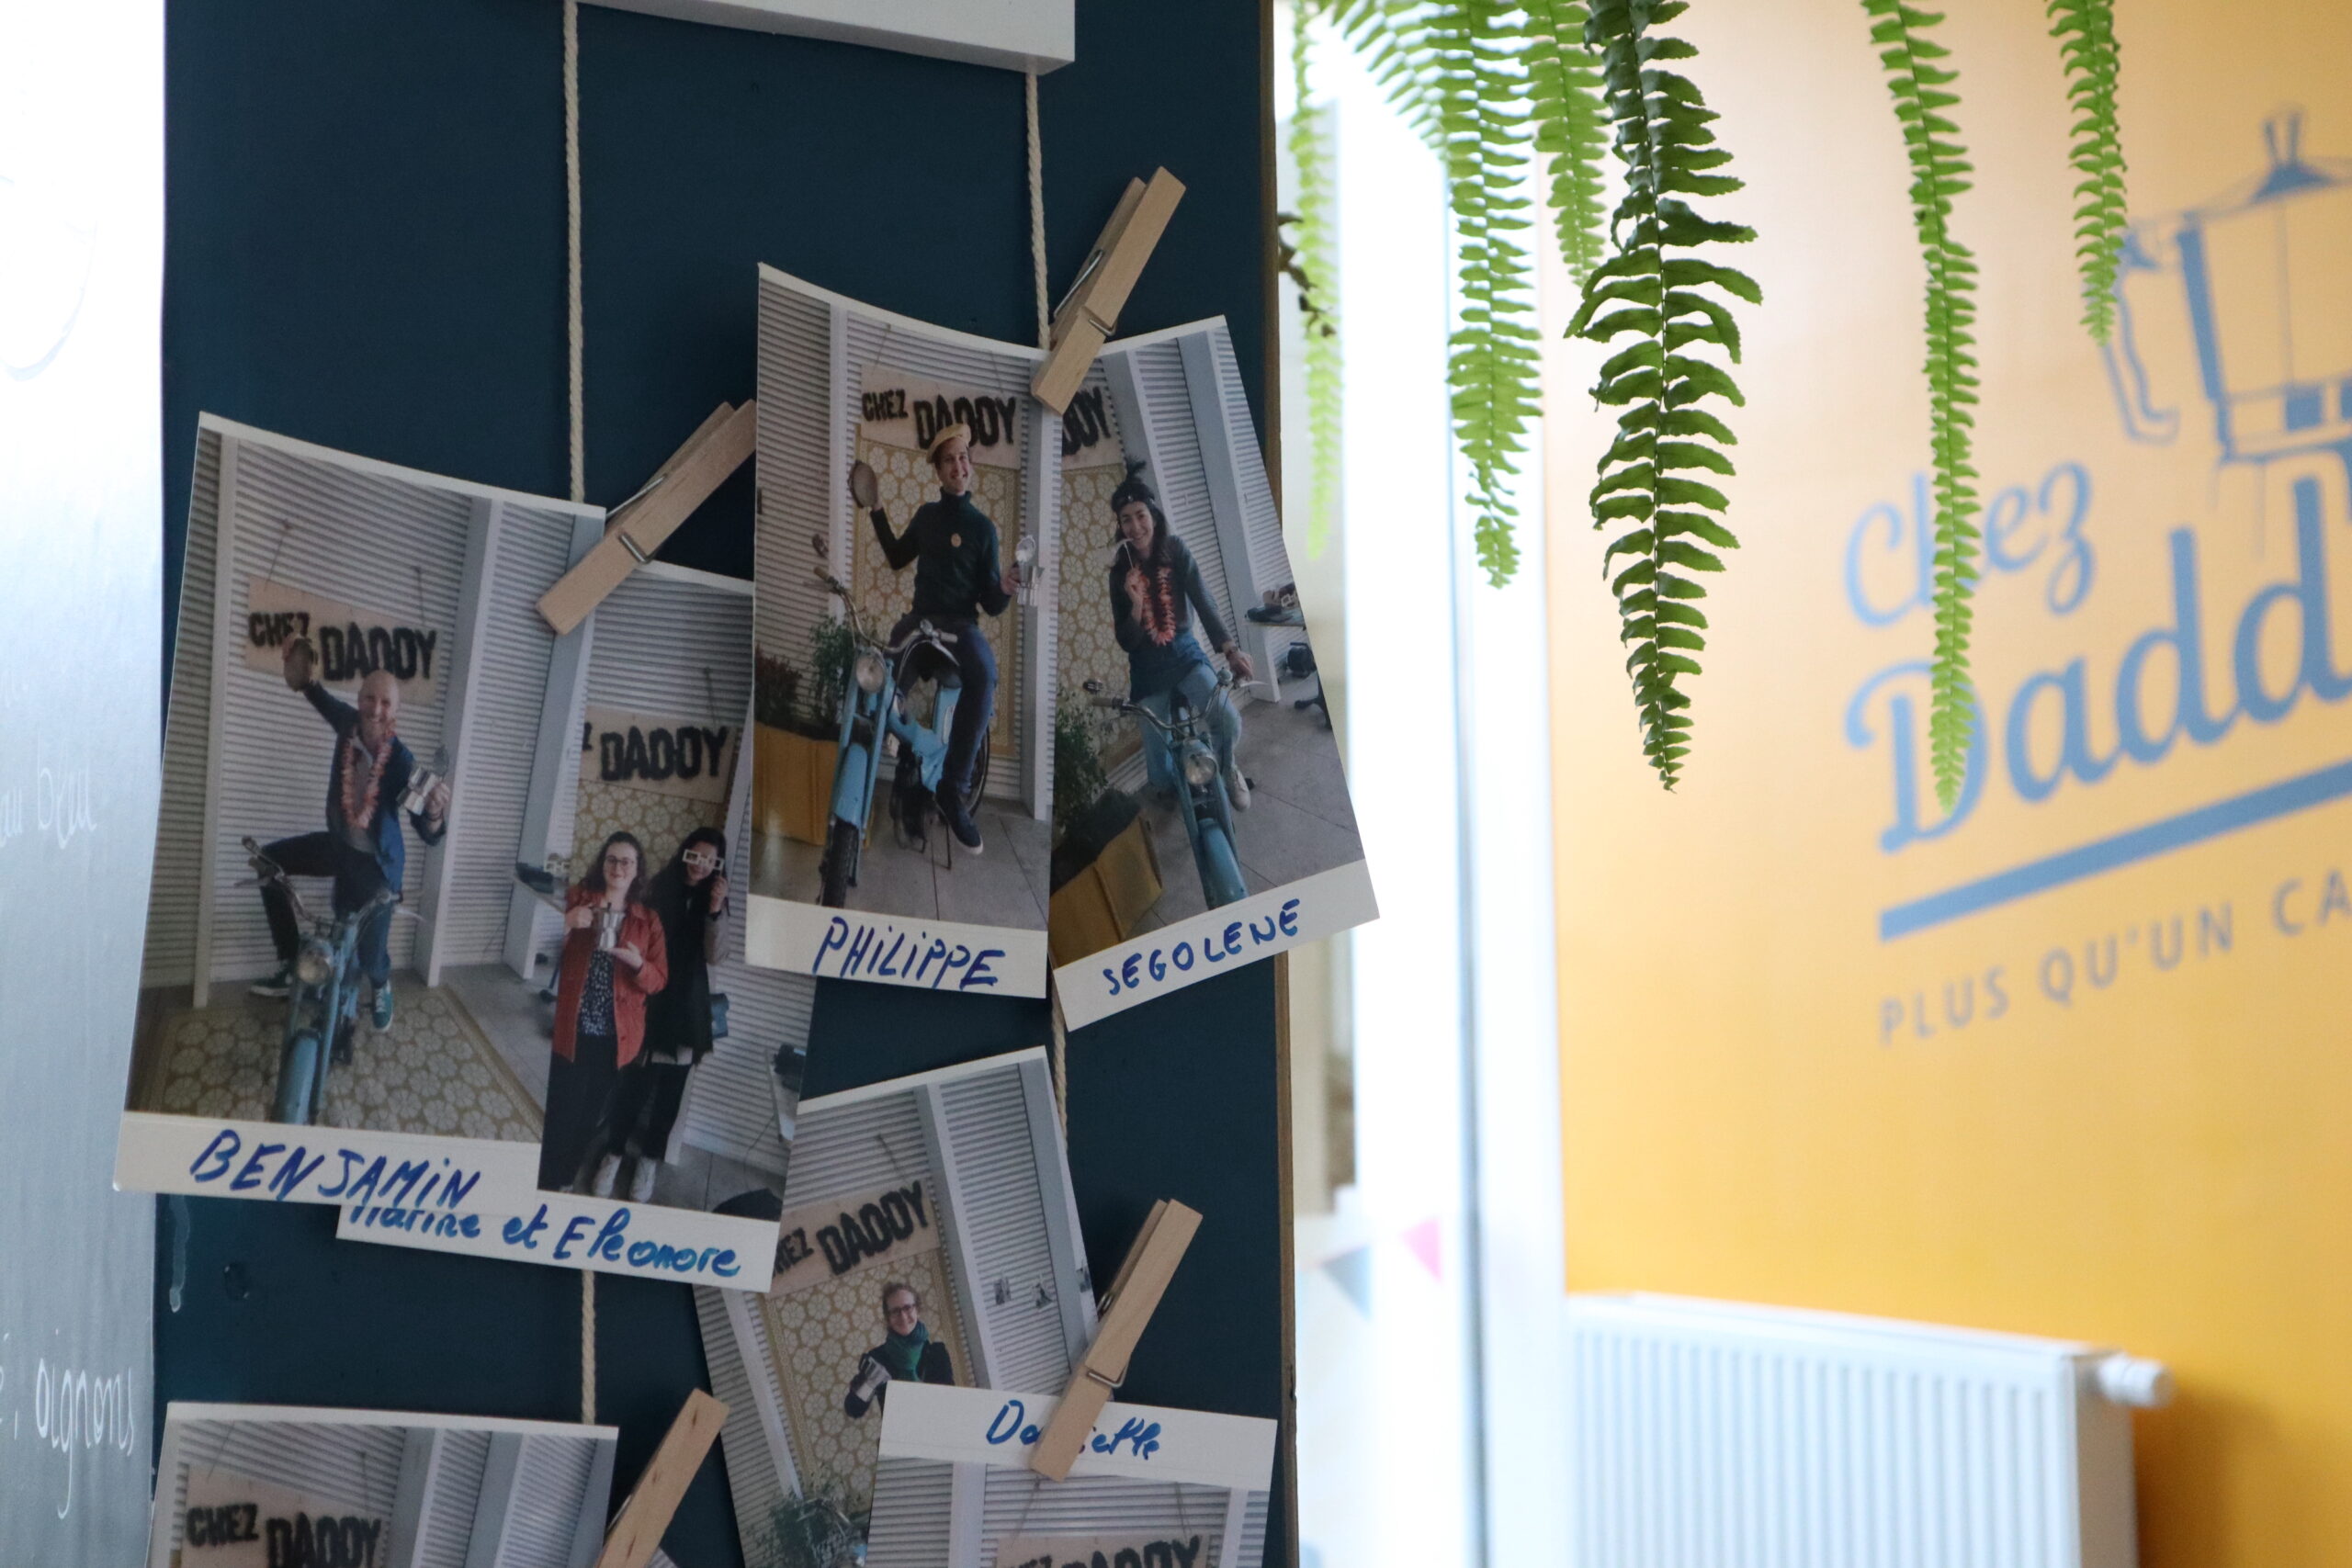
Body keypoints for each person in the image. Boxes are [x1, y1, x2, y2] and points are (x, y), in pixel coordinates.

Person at [251, 650, 449, 1029]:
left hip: (377, 868)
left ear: (395, 712)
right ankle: (292, 963)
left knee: (371, 956)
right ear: (359, 700)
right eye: (369, 698)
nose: (376, 709)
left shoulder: (402, 763)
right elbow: (321, 699)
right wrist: (303, 677)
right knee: (266, 863)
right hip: (339, 848)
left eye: (386, 702)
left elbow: (429, 832)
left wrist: (436, 813)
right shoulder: (348, 724)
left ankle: (381, 984)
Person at [857, 423, 1021, 852]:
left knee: (985, 674)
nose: (958, 466)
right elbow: (897, 557)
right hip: (920, 621)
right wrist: (876, 508)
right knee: (879, 677)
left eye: (963, 457)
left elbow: (990, 602)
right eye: (949, 459)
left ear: (971, 465)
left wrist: (1005, 588)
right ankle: (894, 751)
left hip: (961, 627)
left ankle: (952, 788)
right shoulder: (927, 517)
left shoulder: (983, 529)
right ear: (938, 471)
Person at [1105, 464, 1254, 810]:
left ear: (1153, 516)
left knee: (1227, 719)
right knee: (1158, 773)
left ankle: (1227, 768)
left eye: (1140, 515)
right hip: (1146, 668)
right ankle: (1180, 790)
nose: (1135, 526)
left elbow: (1203, 599)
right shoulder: (1118, 573)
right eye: (1126, 519)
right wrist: (1135, 604)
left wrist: (1231, 650)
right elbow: (1126, 641)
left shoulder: (1175, 550)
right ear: (1120, 526)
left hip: (1185, 655)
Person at [604, 827, 730, 1202]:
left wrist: (714, 910)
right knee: (632, 1087)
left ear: (718, 865)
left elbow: (716, 956)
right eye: (695, 855)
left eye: (709, 860)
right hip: (648, 998)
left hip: (687, 1008)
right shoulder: (658, 887)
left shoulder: (715, 901)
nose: (700, 865)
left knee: (669, 1097)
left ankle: (649, 1162)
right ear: (684, 853)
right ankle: (612, 1154)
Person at [540, 832, 669, 1195]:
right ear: (602, 864)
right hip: (574, 1026)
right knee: (562, 1110)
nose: (618, 867)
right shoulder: (578, 899)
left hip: (616, 1035)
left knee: (588, 1116)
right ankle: (547, 1179)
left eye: (627, 861)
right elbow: (544, 944)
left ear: (637, 870)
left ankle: (565, 1180)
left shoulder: (648, 921)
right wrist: (567, 921)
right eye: (612, 859)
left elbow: (659, 980)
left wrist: (638, 963)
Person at [842, 1281, 956, 1417]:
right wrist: (868, 1383)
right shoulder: (878, 1358)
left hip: (936, 1426)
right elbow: (853, 1410)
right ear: (888, 1318)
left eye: (908, 1308)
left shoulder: (937, 1352)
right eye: (895, 1311)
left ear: (917, 1310)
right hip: (897, 1429)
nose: (903, 1316)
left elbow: (950, 1401)